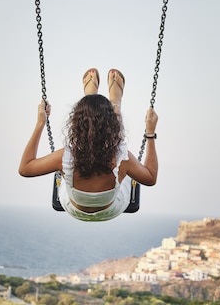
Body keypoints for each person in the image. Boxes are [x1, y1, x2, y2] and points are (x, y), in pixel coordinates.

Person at [19, 68, 159, 221]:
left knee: (113, 154)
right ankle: (115, 105)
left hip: (73, 208)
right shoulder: (121, 159)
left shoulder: (64, 157)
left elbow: (25, 168)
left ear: (75, 124)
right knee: (119, 151)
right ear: (112, 126)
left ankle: (91, 100)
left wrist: (40, 123)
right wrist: (150, 133)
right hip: (111, 210)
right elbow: (150, 178)